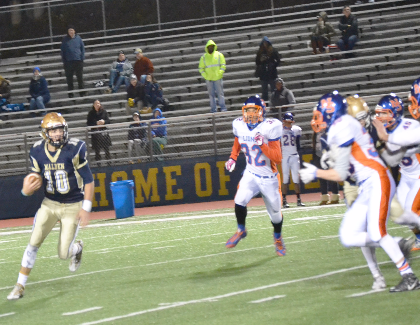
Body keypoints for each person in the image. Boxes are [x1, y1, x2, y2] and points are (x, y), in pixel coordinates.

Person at [300, 91, 420, 292]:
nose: (318, 117)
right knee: (347, 235)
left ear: (332, 113)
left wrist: (316, 172)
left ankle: (409, 276)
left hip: (377, 180)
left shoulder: (343, 126)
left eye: (322, 112)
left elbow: (340, 174)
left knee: (378, 231)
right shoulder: (340, 127)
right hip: (366, 184)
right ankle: (397, 243)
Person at [7, 112, 94, 300]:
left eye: (60, 129)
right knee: (33, 242)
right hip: (50, 203)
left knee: (64, 254)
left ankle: (77, 248)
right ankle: (19, 285)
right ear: (45, 133)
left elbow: (88, 180)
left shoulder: (75, 148)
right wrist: (26, 190)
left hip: (72, 205)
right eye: (53, 130)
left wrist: (85, 208)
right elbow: (35, 179)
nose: (57, 134)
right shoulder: (37, 151)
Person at [224, 95, 285, 256]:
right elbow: (238, 141)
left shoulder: (270, 127)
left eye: (254, 110)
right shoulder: (239, 125)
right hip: (251, 173)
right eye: (248, 110)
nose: (250, 114)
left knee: (276, 215)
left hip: (269, 177)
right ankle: (241, 230)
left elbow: (277, 158)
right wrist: (233, 157)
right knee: (239, 201)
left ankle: (278, 237)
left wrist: (262, 145)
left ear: (261, 111)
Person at [373, 94, 420, 251]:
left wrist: (385, 138)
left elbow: (405, 142)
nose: (380, 117)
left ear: (395, 112)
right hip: (406, 175)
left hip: (419, 173)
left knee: (411, 210)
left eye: (384, 113)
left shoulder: (410, 126)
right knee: (401, 215)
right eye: (379, 113)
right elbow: (392, 160)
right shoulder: (386, 131)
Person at [281, 112, 304, 208]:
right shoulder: (279, 131)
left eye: (291, 122)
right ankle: (284, 200)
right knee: (285, 179)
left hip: (294, 156)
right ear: (284, 122)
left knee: (296, 178)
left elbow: (298, 144)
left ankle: (298, 200)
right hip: (285, 156)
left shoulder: (296, 129)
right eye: (288, 122)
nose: (289, 124)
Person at [311, 130, 340, 205]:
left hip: (328, 155)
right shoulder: (316, 133)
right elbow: (315, 145)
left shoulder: (328, 130)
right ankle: (324, 197)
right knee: (321, 177)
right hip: (318, 155)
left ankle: (335, 196)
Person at [198, 40, 227, 113]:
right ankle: (213, 109)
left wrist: (220, 73)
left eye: (211, 47)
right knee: (211, 95)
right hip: (209, 79)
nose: (210, 48)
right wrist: (205, 76)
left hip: (217, 78)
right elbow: (201, 68)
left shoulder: (219, 55)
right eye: (209, 47)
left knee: (220, 94)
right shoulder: (203, 57)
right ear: (207, 48)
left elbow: (223, 65)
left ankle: (223, 108)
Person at [60, 25, 85, 98]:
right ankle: (70, 94)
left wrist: (81, 58)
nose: (71, 32)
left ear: (74, 31)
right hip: (68, 62)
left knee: (80, 78)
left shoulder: (78, 38)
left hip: (78, 61)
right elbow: (62, 51)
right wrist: (64, 61)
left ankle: (82, 92)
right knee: (69, 79)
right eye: (69, 30)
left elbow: (82, 48)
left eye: (72, 30)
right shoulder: (65, 40)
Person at [255, 36, 281, 102]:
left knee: (273, 89)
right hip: (263, 74)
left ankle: (274, 101)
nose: (265, 44)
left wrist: (273, 65)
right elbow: (257, 62)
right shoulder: (260, 52)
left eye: (266, 43)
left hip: (272, 73)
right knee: (264, 91)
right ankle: (265, 103)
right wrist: (261, 60)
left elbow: (278, 60)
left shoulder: (273, 51)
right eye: (264, 43)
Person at [87, 100, 112, 164]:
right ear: (93, 105)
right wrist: (96, 123)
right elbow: (88, 123)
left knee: (106, 149)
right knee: (97, 151)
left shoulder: (104, 112)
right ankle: (99, 164)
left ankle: (109, 163)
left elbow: (108, 121)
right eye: (96, 103)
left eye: (99, 103)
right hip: (95, 134)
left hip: (104, 133)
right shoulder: (91, 113)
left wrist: (104, 122)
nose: (98, 105)